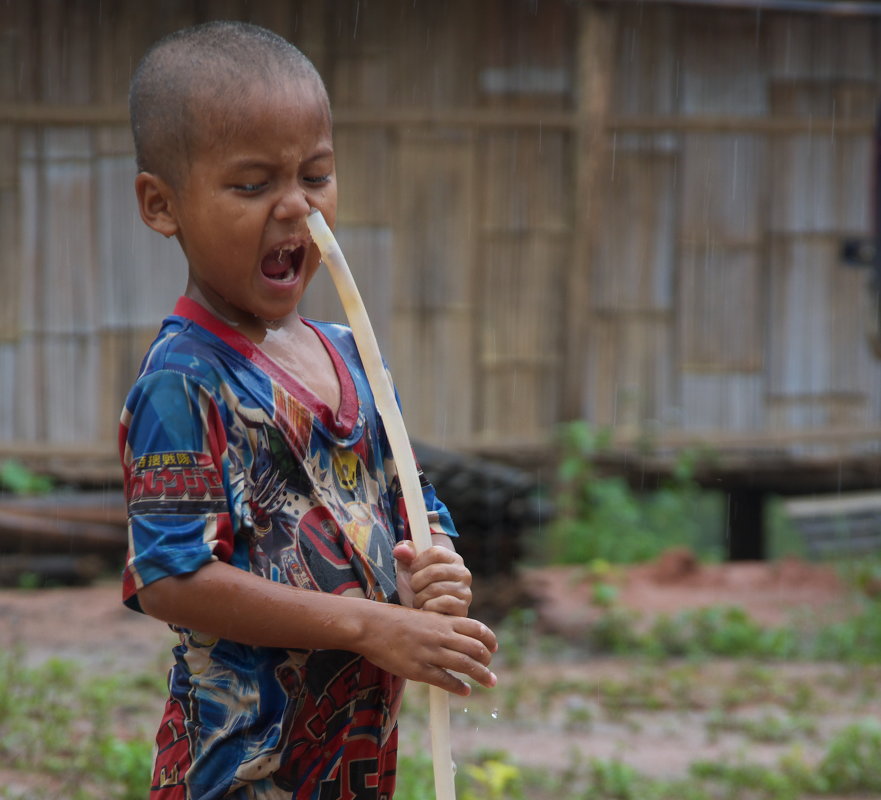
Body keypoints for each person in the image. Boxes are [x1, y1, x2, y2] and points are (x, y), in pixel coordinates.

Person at [120, 20, 497, 800]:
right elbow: (172, 578)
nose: (295, 208)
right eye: (252, 185)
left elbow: (410, 503)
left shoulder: (351, 352)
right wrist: (370, 625)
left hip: (351, 766)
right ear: (162, 205)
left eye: (315, 177)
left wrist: (435, 572)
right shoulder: (183, 381)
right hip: (238, 772)